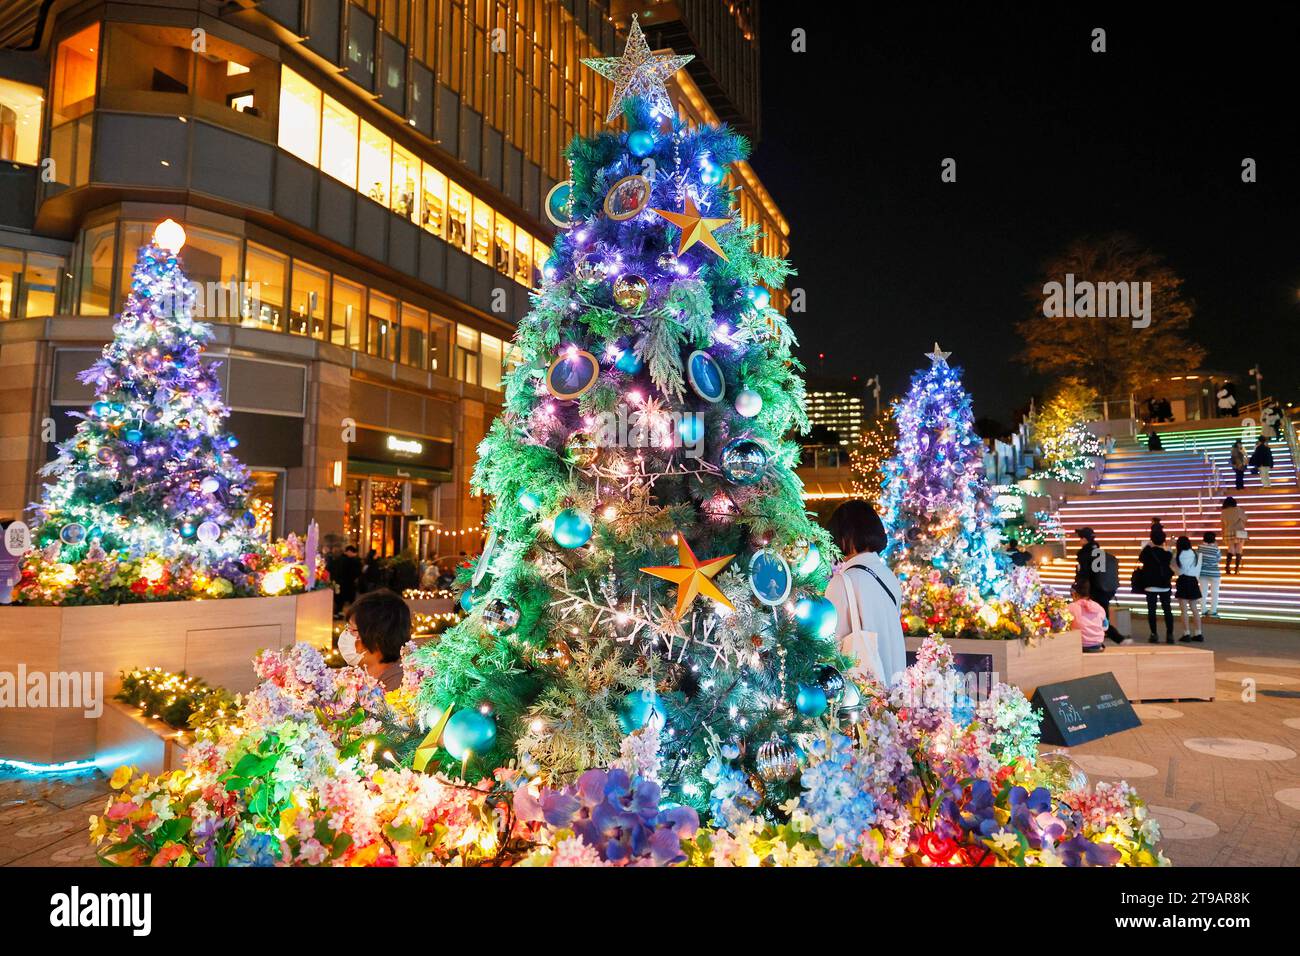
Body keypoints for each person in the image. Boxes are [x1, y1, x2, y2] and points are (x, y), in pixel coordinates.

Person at [824, 500, 906, 687]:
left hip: (864, 695)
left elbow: (830, 646)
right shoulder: (889, 577)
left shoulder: (843, 582)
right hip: (896, 689)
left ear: (846, 536)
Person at [339, 588, 412, 691]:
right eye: (347, 628)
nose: (346, 635)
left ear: (377, 637)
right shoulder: (360, 676)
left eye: (353, 630)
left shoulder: (397, 686)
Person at [1073, 527, 1125, 644]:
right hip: (1104, 589)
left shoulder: (1084, 554)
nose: (1079, 540)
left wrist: (1078, 587)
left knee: (1096, 617)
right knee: (1102, 614)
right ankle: (1107, 637)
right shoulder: (1099, 552)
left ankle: (1117, 638)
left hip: (1093, 590)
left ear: (1085, 539)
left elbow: (1084, 574)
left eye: (1080, 538)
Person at [1137, 529, 1175, 644]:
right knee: (1167, 610)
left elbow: (1141, 558)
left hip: (1150, 585)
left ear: (1151, 539)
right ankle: (1170, 635)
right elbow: (1170, 557)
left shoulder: (1147, 552)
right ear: (1164, 540)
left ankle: (1154, 634)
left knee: (1151, 610)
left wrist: (1148, 545)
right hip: (1164, 585)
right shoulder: (1167, 553)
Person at [1174, 536, 1203, 643]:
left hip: (1182, 581)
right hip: (1193, 581)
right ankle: (1198, 633)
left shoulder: (1177, 555)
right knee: (1194, 608)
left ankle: (1186, 633)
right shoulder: (1195, 554)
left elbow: (1175, 569)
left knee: (1184, 610)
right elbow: (1198, 568)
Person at [1067, 579, 1107, 653]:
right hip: (1097, 645)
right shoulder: (1099, 607)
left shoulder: (1070, 607)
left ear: (1075, 594)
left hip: (1079, 646)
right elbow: (1105, 626)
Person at [1197, 531, 1221, 618]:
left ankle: (1203, 610)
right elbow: (1218, 559)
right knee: (1215, 593)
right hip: (1214, 573)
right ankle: (1213, 611)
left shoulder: (1200, 547)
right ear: (1214, 539)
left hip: (1202, 573)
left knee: (1203, 592)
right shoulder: (1216, 549)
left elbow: (1198, 558)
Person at [1221, 497, 1248, 574]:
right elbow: (1245, 520)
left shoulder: (1224, 512)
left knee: (1231, 549)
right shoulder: (1239, 510)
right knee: (1239, 549)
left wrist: (1223, 535)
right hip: (1241, 531)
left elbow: (1222, 525)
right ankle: (1236, 569)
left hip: (1228, 531)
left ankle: (1227, 567)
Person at [333, 545, 362, 614]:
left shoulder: (338, 559)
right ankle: (350, 614)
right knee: (348, 600)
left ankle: (337, 613)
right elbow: (354, 573)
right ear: (348, 552)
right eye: (353, 553)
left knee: (338, 600)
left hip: (337, 583)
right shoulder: (350, 561)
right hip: (347, 584)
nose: (354, 555)